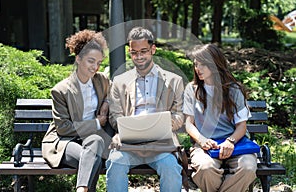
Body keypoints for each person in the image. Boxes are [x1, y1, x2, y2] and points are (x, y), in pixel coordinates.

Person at [106, 26, 184, 192]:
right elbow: (115, 115)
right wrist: (123, 130)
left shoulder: (174, 81)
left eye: (144, 51)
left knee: (171, 168)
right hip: (128, 144)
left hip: (160, 144)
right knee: (115, 163)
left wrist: (163, 126)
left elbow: (180, 114)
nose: (139, 56)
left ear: (153, 49)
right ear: (130, 52)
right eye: (134, 52)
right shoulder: (119, 81)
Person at [42, 29, 111, 192]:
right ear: (78, 59)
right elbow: (64, 128)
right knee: (92, 159)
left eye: (99, 63)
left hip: (92, 140)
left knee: (95, 142)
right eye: (91, 61)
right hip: (66, 141)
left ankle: (81, 189)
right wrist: (96, 122)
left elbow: (114, 93)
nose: (95, 67)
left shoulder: (101, 80)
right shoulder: (61, 90)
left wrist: (106, 103)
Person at [183, 43, 257, 192]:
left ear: (215, 64)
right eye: (196, 64)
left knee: (248, 167)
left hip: (236, 143)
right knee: (205, 168)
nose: (198, 69)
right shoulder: (192, 90)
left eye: (203, 64)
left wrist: (230, 142)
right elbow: (189, 124)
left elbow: (241, 127)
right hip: (205, 145)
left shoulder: (234, 90)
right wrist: (202, 140)